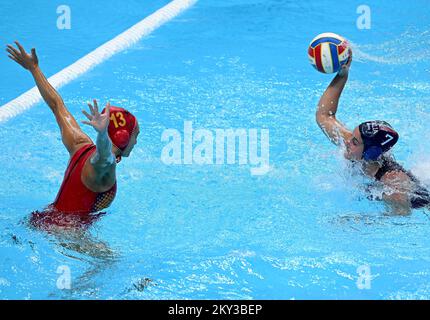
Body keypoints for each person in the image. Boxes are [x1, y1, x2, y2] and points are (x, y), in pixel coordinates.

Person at [6, 41, 139, 218]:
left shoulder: (80, 143)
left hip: (43, 218)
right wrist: (101, 134)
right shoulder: (104, 166)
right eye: (135, 135)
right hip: (67, 234)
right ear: (123, 137)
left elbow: (57, 105)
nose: (136, 141)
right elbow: (104, 155)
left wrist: (34, 68)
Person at [316, 50, 429, 215]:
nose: (346, 141)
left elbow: (401, 215)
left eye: (355, 142)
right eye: (352, 137)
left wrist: (357, 221)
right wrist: (342, 75)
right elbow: (323, 115)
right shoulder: (356, 149)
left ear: (370, 152)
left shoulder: (394, 183)